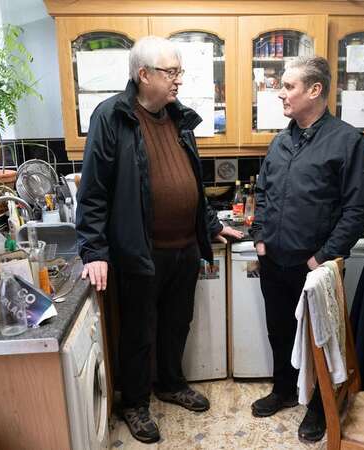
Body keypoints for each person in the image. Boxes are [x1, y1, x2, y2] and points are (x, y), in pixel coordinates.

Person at [76, 36, 242, 444]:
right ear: (143, 74)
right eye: (171, 72)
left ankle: (170, 383)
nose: (178, 81)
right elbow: (94, 191)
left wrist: (210, 225)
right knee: (138, 332)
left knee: (176, 322)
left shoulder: (179, 117)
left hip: (185, 247)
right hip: (140, 252)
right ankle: (134, 403)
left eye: (180, 72)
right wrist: (94, 250)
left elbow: (193, 181)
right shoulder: (112, 116)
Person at [248, 56, 364, 442]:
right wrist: (259, 236)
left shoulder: (348, 141)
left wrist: (323, 256)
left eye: (289, 87)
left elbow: (360, 208)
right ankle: (285, 390)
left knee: (322, 339)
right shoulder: (281, 140)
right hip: (274, 260)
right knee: (280, 331)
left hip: (317, 268)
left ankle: (320, 406)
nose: (281, 94)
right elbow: (263, 192)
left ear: (314, 90)